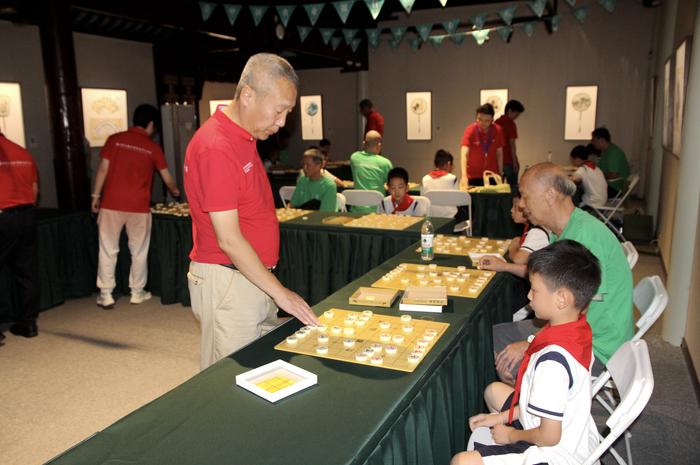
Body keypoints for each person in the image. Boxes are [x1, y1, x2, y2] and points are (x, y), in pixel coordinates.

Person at [184, 53, 318, 370]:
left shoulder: (243, 136)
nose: (283, 122)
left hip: (250, 276)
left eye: (288, 112)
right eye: (279, 110)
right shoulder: (216, 146)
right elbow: (228, 239)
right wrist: (281, 294)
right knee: (228, 379)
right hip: (229, 278)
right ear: (248, 95)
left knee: (259, 370)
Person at [452, 240, 601, 465]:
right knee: (493, 391)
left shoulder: (552, 364)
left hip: (556, 454)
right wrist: (499, 417)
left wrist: (511, 435)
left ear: (562, 299)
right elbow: (538, 402)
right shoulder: (575, 328)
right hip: (570, 433)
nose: (529, 296)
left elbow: (549, 437)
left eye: (535, 289)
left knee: (461, 461)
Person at [493, 163, 633, 384]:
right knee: (497, 335)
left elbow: (580, 315)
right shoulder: (568, 230)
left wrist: (532, 342)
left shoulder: (584, 239)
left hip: (596, 346)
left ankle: (535, 413)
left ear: (549, 195)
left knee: (510, 365)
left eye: (525, 196)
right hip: (578, 329)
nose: (521, 204)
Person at [91, 104, 180, 309]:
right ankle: (137, 292)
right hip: (139, 206)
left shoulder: (114, 139)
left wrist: (95, 195)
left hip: (111, 203)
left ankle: (106, 294)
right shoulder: (152, 147)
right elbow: (167, 177)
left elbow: (103, 170)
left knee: (107, 248)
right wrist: (175, 191)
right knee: (139, 250)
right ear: (150, 124)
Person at [478, 192, 549, 319]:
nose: (511, 211)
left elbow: (518, 260)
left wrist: (514, 247)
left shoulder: (538, 232)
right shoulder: (530, 229)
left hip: (526, 295)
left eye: (516, 208)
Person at [0, 131, 40, 339]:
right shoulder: (22, 152)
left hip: (3, 216)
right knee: (27, 271)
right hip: (26, 215)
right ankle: (28, 323)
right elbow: (34, 190)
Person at [460, 103, 504, 189]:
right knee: (474, 202)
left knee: (491, 202)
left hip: (492, 175)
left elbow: (499, 154)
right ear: (476, 118)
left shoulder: (498, 130)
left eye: (487, 121)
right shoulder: (470, 130)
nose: (482, 123)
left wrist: (500, 174)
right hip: (473, 176)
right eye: (479, 119)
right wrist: (464, 175)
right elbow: (464, 154)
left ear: (492, 120)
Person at [350, 130, 393, 213]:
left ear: (364, 143)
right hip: (379, 210)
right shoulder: (385, 163)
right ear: (379, 145)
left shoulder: (354, 158)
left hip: (356, 210)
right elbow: (391, 184)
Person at [290, 147, 337, 212]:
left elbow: (325, 214)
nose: (304, 168)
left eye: (308, 165)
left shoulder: (329, 186)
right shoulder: (302, 180)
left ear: (319, 166)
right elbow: (292, 205)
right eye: (303, 164)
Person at [591, 127, 630, 197]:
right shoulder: (605, 151)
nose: (592, 142)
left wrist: (597, 175)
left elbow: (614, 175)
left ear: (601, 140)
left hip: (614, 188)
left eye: (594, 140)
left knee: (582, 189)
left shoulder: (613, 153)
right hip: (608, 185)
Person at [494, 100, 525, 187]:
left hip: (497, 161)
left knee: (498, 188)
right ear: (510, 111)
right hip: (508, 161)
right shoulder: (511, 124)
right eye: (517, 113)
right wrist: (515, 162)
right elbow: (512, 144)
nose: (517, 116)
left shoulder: (496, 122)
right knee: (513, 188)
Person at [421, 149, 459, 218]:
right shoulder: (452, 178)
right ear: (449, 163)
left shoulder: (424, 179)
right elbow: (457, 201)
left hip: (431, 218)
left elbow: (423, 201)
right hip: (450, 218)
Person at [569, 145, 608, 209]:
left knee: (573, 193)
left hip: (592, 202)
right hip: (602, 200)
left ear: (577, 159)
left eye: (572, 160)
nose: (572, 163)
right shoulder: (597, 168)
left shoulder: (583, 169)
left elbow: (573, 179)